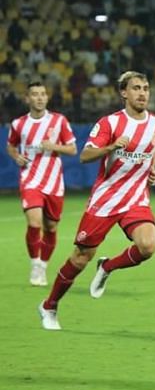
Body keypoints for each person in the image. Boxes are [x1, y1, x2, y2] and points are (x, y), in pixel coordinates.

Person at [37, 71, 155, 331]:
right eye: (136, 88)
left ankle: (107, 267)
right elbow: (85, 155)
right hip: (105, 200)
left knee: (148, 246)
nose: (142, 93)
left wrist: (151, 167)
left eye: (146, 88)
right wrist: (111, 147)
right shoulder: (110, 123)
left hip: (135, 198)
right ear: (124, 93)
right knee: (80, 258)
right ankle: (49, 305)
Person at [6, 81, 77, 286]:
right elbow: (11, 146)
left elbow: (72, 149)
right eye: (35, 94)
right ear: (27, 98)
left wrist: (53, 146)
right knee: (34, 222)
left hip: (54, 182)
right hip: (30, 178)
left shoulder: (59, 121)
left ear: (47, 97)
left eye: (42, 94)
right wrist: (16, 156)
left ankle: (43, 266)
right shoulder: (19, 124)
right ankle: (35, 263)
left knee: (51, 227)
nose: (39, 97)